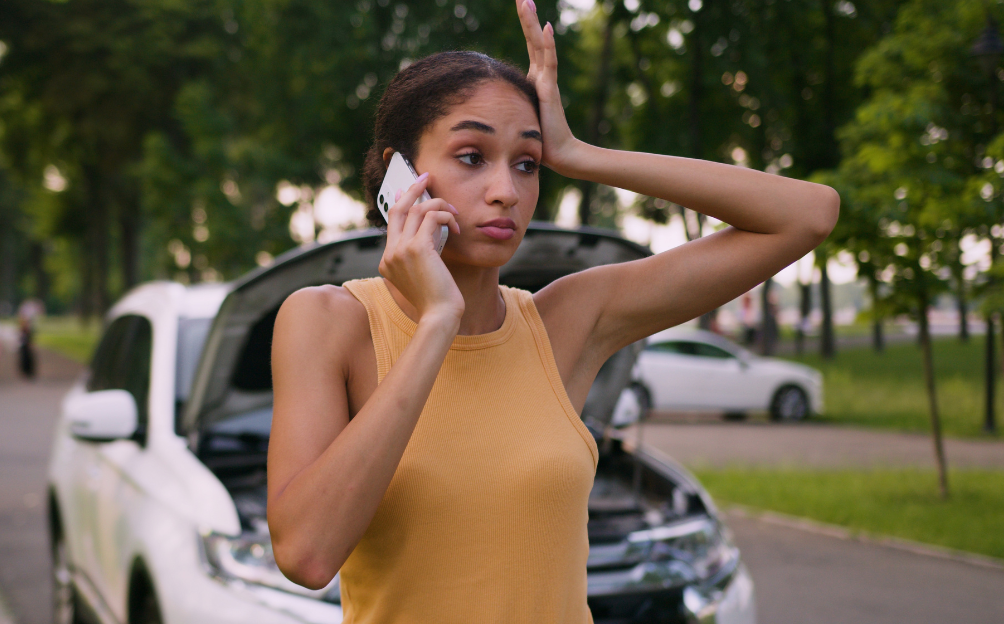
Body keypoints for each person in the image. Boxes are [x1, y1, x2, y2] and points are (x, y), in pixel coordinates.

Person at [266, 2, 839, 621]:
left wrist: (580, 154)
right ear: (398, 175)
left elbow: (807, 215)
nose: (506, 191)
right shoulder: (328, 321)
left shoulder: (564, 322)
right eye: (470, 156)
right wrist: (436, 323)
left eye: (527, 164)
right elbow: (307, 553)